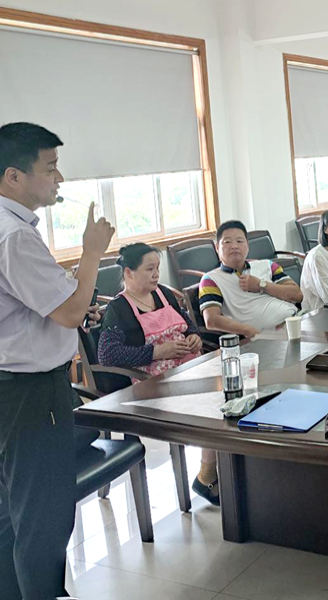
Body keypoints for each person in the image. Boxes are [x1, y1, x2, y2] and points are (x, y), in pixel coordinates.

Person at [0, 122, 114, 599]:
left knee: (12, 517)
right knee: (43, 520)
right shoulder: (14, 236)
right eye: (50, 169)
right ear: (13, 176)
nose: (59, 178)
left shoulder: (12, 228)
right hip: (31, 395)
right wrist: (92, 253)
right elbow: (68, 313)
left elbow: (45, 305)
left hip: (12, 391)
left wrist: (76, 297)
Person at [96, 244, 223, 505]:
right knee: (217, 401)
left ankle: (232, 471)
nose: (156, 274)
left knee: (234, 386)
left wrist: (194, 338)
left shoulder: (163, 294)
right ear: (129, 273)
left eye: (158, 268)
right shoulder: (119, 309)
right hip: (153, 385)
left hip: (187, 369)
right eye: (149, 269)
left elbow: (188, 324)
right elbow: (107, 355)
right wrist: (156, 352)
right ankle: (207, 476)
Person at [199, 221, 302, 337]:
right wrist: (248, 331)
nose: (234, 246)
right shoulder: (211, 279)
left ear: (247, 246)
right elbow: (211, 320)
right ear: (217, 247)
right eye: (227, 242)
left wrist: (261, 285)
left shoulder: (267, 265)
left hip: (296, 321)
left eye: (239, 241)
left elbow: (297, 295)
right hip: (265, 337)